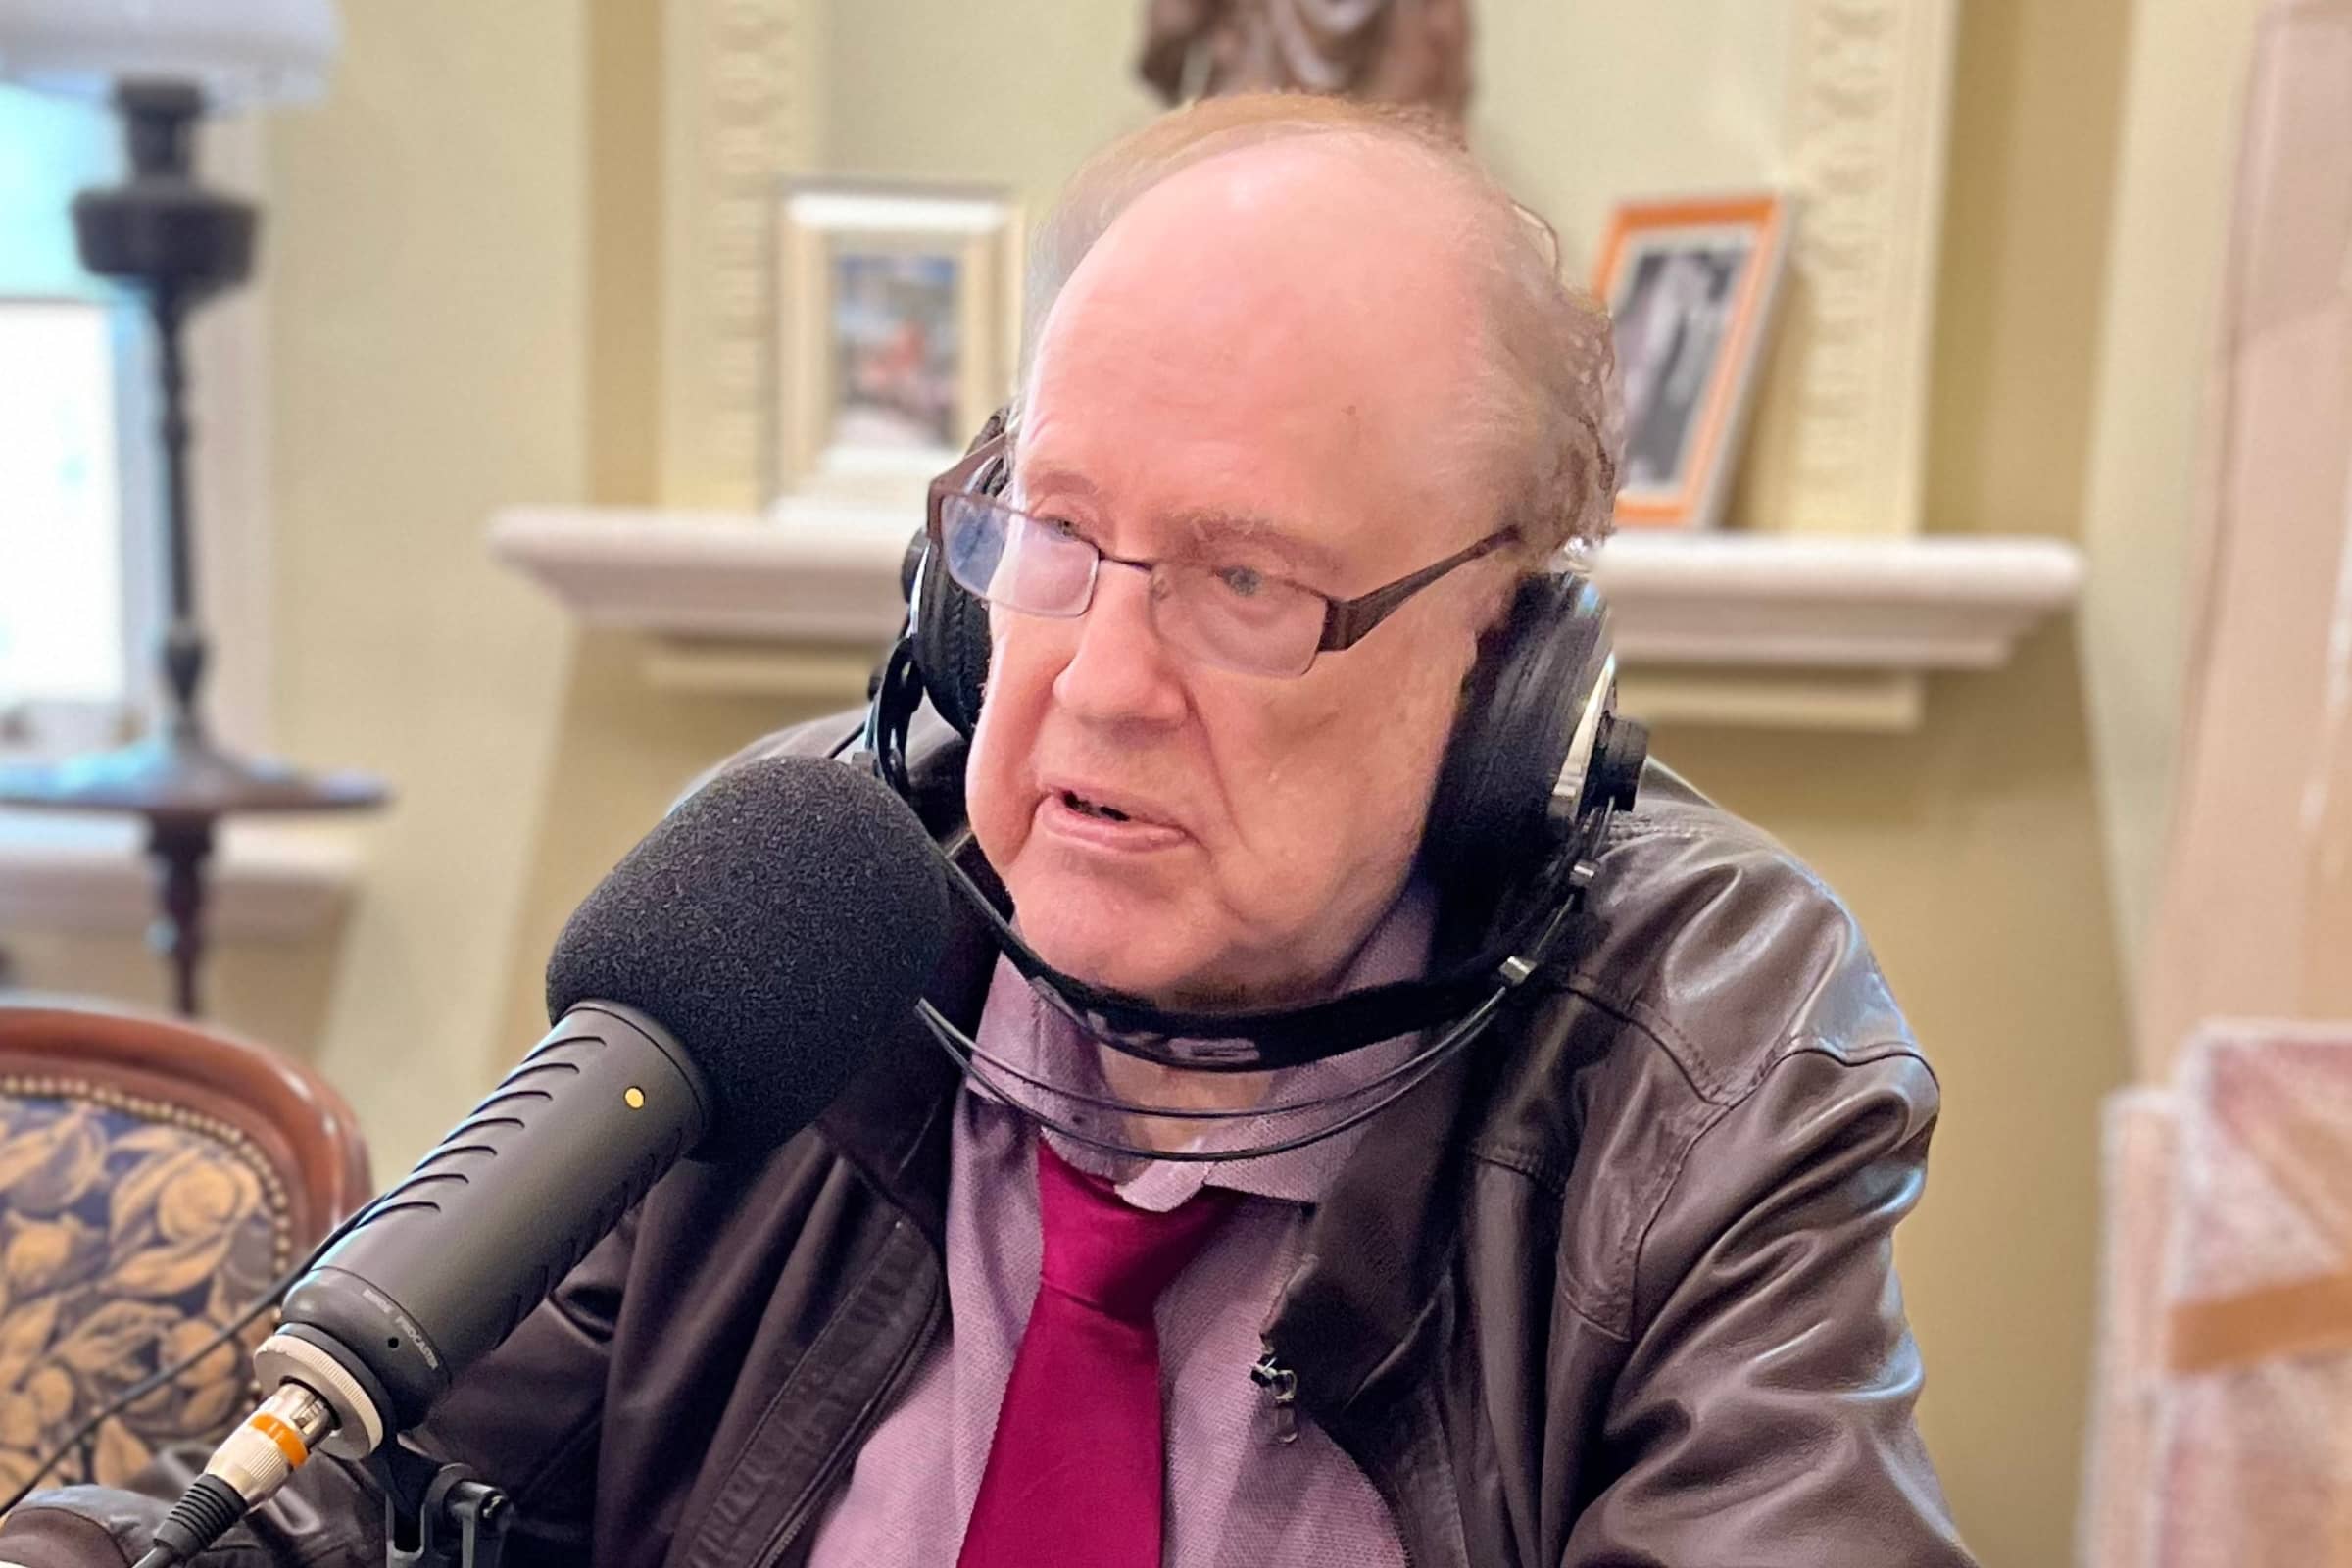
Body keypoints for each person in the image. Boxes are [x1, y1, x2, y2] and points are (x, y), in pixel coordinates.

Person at [0, 94, 1975, 1567]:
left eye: (1246, 582)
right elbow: (343, 1496)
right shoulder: (803, 920)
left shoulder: (1714, 1066)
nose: (1098, 681)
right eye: (1055, 536)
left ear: (1507, 673)